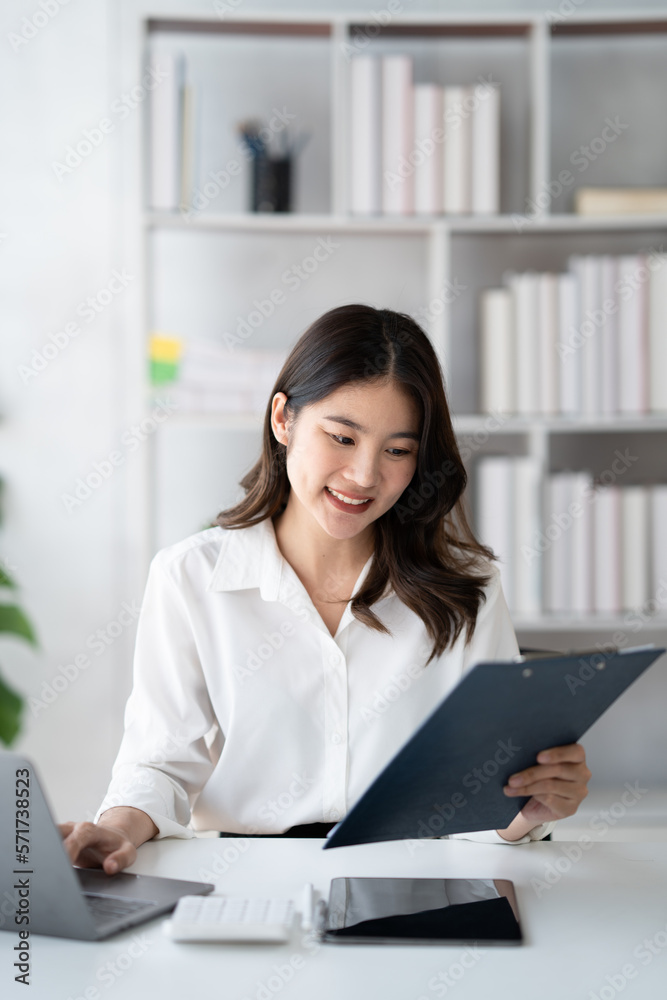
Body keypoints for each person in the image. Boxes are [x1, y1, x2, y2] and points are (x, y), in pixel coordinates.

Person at [60, 304, 591, 875]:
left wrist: (532, 806)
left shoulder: (467, 590)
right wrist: (115, 829)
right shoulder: (190, 578)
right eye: (342, 437)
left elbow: (489, 792)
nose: (364, 475)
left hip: (413, 879)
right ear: (283, 421)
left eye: (397, 450)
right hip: (245, 878)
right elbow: (159, 764)